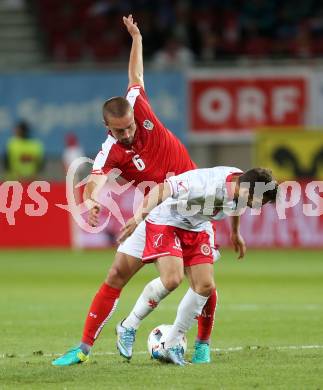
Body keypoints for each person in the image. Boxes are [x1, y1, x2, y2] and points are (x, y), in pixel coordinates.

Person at [52, 14, 217, 366]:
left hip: (193, 202)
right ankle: (83, 349)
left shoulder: (138, 105)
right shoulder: (110, 150)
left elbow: (136, 75)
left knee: (204, 282)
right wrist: (92, 200)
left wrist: (137, 37)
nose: (128, 134)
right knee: (118, 273)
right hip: (158, 210)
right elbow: (95, 179)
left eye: (129, 127)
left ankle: (202, 344)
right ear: (107, 127)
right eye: (120, 130)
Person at [117, 166, 278, 365]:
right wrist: (136, 218)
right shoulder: (205, 185)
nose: (258, 208)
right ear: (245, 190)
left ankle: (172, 344)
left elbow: (235, 205)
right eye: (259, 202)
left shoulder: (241, 183)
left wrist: (235, 232)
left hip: (197, 226)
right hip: (167, 221)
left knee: (205, 286)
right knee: (172, 279)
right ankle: (129, 325)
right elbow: (162, 189)